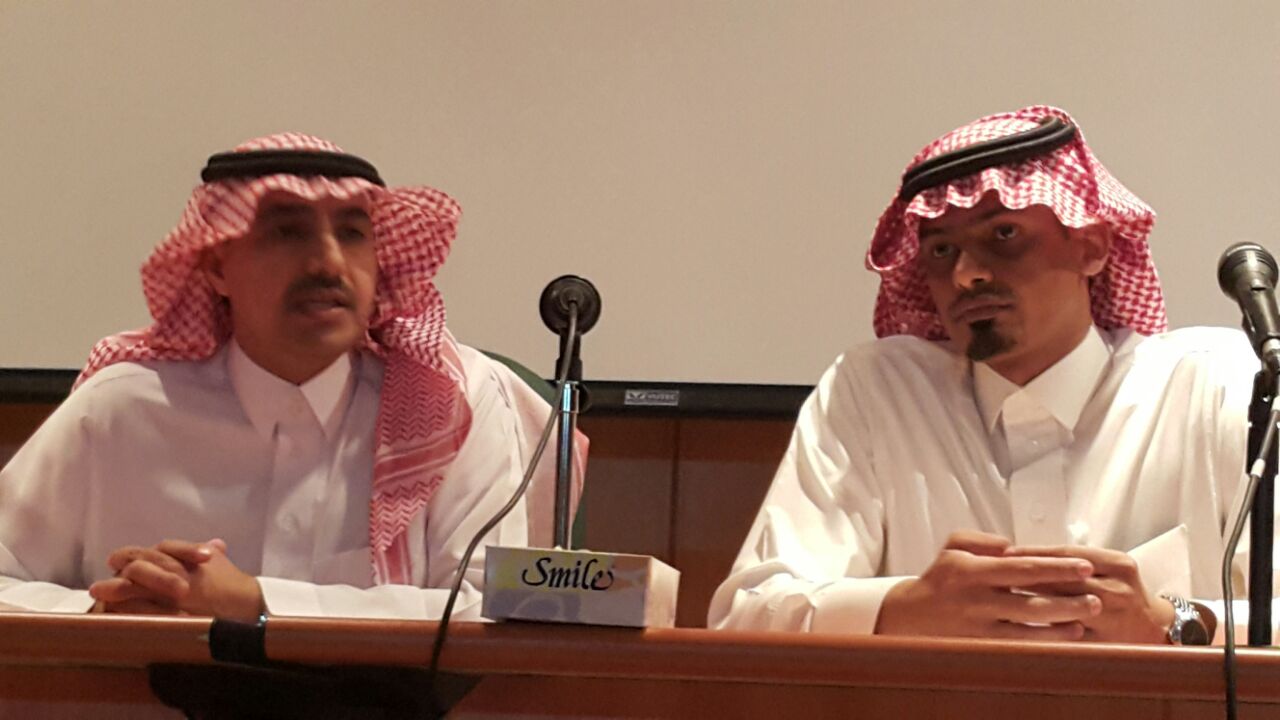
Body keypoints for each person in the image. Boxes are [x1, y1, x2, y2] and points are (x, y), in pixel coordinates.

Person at [709, 105, 1262, 644]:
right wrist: (904, 608)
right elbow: (746, 615)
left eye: (1003, 235)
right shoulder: (879, 392)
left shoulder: (1214, 384)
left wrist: (1171, 621)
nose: (966, 275)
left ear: (1091, 246)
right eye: (941, 250)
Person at [0, 132, 582, 621]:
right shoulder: (120, 410)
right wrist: (104, 609)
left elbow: (492, 607)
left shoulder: (454, 401)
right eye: (287, 232)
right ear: (216, 265)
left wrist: (253, 601)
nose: (329, 262)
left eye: (352, 233)